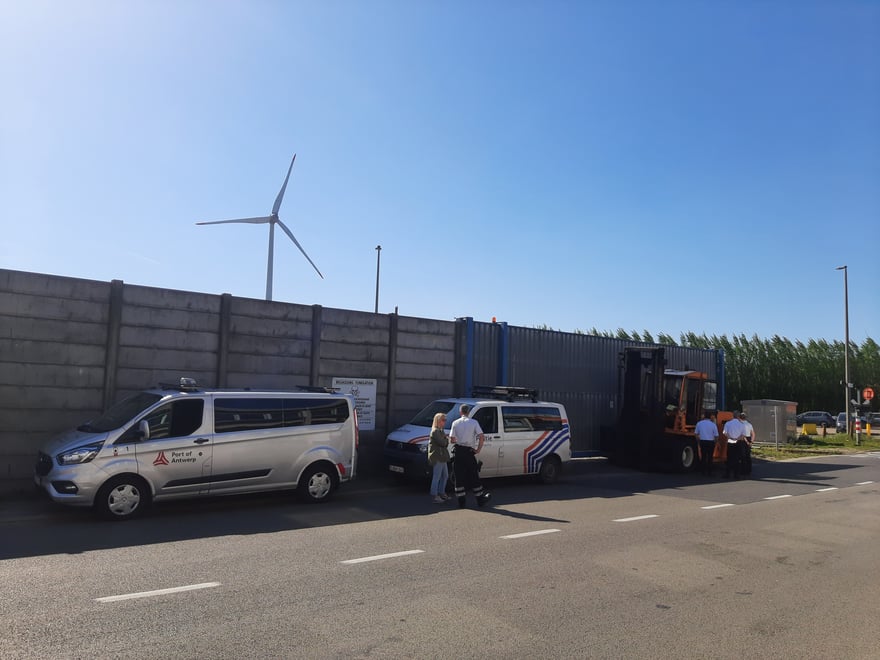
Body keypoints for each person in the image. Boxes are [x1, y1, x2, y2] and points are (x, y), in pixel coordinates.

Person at [449, 404, 491, 508]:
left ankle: (461, 502)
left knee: (459, 477)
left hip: (458, 452)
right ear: (468, 412)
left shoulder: (455, 423)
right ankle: (480, 500)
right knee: (474, 475)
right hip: (469, 452)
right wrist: (478, 450)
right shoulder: (474, 422)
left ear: (460, 412)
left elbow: (452, 439)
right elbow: (481, 437)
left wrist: (459, 440)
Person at [427, 412, 451, 503]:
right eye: (443, 420)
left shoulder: (441, 430)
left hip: (442, 456)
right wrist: (446, 439)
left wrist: (445, 439)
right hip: (437, 456)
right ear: (438, 421)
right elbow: (443, 443)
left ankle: (442, 492)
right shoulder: (435, 431)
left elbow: (445, 442)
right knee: (437, 476)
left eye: (445, 420)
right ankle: (434, 495)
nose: (445, 422)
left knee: (445, 475)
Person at [722, 410, 747, 479]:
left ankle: (728, 474)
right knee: (737, 459)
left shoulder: (728, 423)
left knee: (729, 458)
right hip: (738, 442)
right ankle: (736, 475)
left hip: (730, 442)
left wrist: (730, 437)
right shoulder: (742, 424)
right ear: (739, 416)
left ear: (732, 415)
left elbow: (724, 432)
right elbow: (743, 435)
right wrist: (737, 439)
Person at [694, 411, 719, 476]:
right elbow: (716, 435)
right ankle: (709, 472)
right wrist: (715, 442)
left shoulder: (699, 423)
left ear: (704, 416)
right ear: (710, 416)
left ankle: (703, 471)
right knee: (710, 457)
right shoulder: (713, 425)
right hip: (711, 442)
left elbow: (696, 434)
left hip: (702, 441)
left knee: (703, 456)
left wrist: (698, 441)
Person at [740, 411, 755, 476]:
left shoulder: (740, 424)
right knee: (748, 455)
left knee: (743, 456)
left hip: (743, 440)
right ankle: (749, 470)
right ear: (745, 417)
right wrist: (751, 442)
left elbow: (742, 434)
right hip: (749, 438)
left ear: (740, 417)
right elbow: (753, 434)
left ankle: (743, 470)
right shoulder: (749, 424)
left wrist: (746, 442)